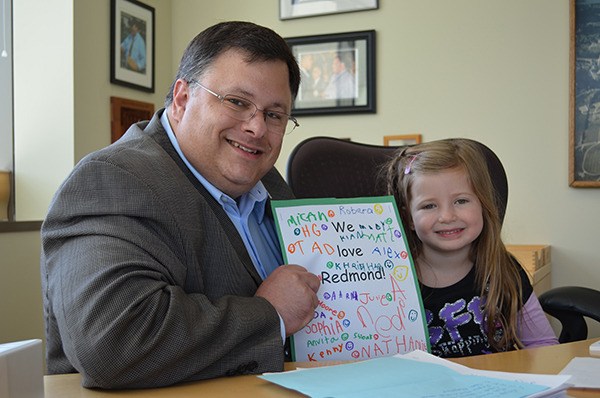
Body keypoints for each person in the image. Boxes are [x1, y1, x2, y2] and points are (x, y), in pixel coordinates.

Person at [41, 21, 320, 389]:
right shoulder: (112, 179)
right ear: (182, 99)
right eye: (237, 102)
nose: (257, 128)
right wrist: (269, 314)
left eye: (274, 114)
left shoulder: (269, 184)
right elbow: (113, 343)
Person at [384, 139, 558, 358]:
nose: (447, 216)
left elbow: (542, 343)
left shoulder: (503, 269)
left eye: (461, 201)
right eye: (429, 206)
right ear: (408, 217)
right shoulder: (391, 281)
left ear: (483, 204)